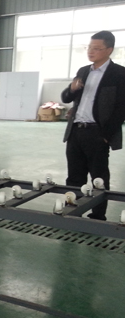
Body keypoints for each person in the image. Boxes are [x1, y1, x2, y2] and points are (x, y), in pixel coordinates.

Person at [61, 30, 125, 221]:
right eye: (89, 47)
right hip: (76, 131)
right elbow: (66, 98)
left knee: (98, 177)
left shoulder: (119, 74)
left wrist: (106, 135)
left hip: (97, 133)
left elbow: (121, 108)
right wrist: (72, 89)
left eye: (96, 48)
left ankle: (97, 216)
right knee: (74, 176)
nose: (91, 51)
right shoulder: (83, 71)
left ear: (109, 50)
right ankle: (72, 212)